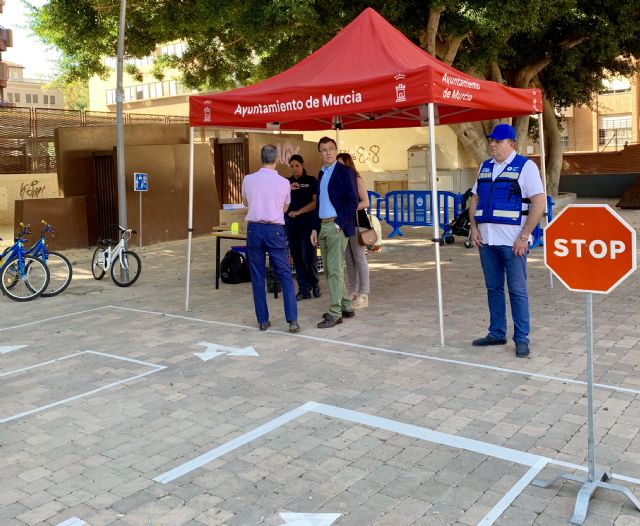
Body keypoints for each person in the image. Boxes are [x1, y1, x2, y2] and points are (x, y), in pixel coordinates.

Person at [468, 123, 545, 358]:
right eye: (491, 140)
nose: (492, 144)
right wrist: (474, 227)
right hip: (487, 242)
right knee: (493, 289)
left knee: (517, 291)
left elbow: (539, 203)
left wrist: (525, 237)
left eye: (497, 141)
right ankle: (496, 333)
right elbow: (475, 198)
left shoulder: (526, 167)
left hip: (513, 243)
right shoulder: (485, 167)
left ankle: (521, 338)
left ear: (511, 144)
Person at [242, 144, 300, 333]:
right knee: (285, 276)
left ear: (261, 158)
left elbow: (245, 202)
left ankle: (263, 320)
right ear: (277, 159)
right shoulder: (284, 182)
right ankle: (292, 320)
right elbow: (285, 207)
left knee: (258, 275)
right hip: (275, 229)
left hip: (254, 229)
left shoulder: (248, 179)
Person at [310, 137, 359, 328]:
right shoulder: (321, 174)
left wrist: (339, 224)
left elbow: (352, 201)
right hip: (322, 225)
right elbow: (319, 204)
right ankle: (346, 306)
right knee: (331, 270)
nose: (328, 152)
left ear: (336, 150)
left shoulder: (345, 172)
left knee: (334, 270)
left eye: (331, 149)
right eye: (324, 150)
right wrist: (314, 227)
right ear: (320, 153)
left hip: (336, 226)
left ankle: (335, 312)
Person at [337, 152, 370, 309]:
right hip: (345, 223)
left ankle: (364, 294)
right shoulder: (340, 182)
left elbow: (366, 202)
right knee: (349, 259)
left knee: (359, 258)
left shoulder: (357, 179)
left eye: (340, 163)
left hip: (358, 222)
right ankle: (352, 291)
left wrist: (349, 208)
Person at [286, 154, 321, 301]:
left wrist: (299, 212)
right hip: (292, 225)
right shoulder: (286, 182)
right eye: (292, 166)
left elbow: (315, 203)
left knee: (308, 257)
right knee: (297, 258)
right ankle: (303, 289)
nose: (295, 169)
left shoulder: (311, 180)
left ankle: (315, 283)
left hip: (308, 225)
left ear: (302, 164)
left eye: (297, 165)